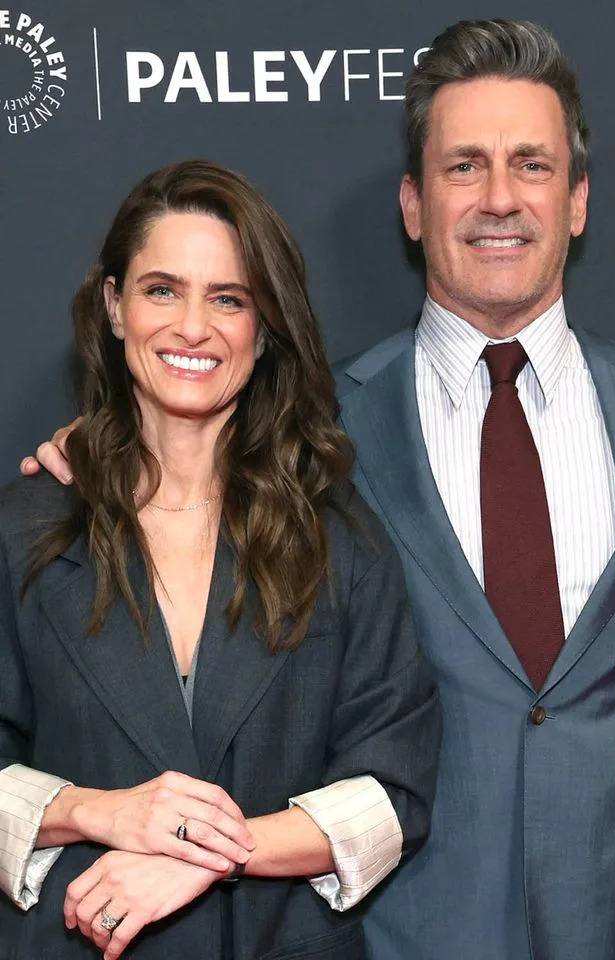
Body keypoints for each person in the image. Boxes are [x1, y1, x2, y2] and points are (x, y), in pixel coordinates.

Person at [22, 20, 615, 960]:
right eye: (463, 167)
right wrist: (98, 447)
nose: (500, 199)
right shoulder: (311, 432)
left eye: (531, 165)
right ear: (413, 205)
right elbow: (176, 428)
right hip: (390, 931)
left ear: (576, 200)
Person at [1, 159, 440, 960]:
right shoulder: (23, 527)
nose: (192, 327)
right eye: (162, 289)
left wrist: (204, 855)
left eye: (228, 298)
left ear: (264, 327)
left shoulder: (340, 538)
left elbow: (392, 793)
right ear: (113, 306)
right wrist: (99, 812)